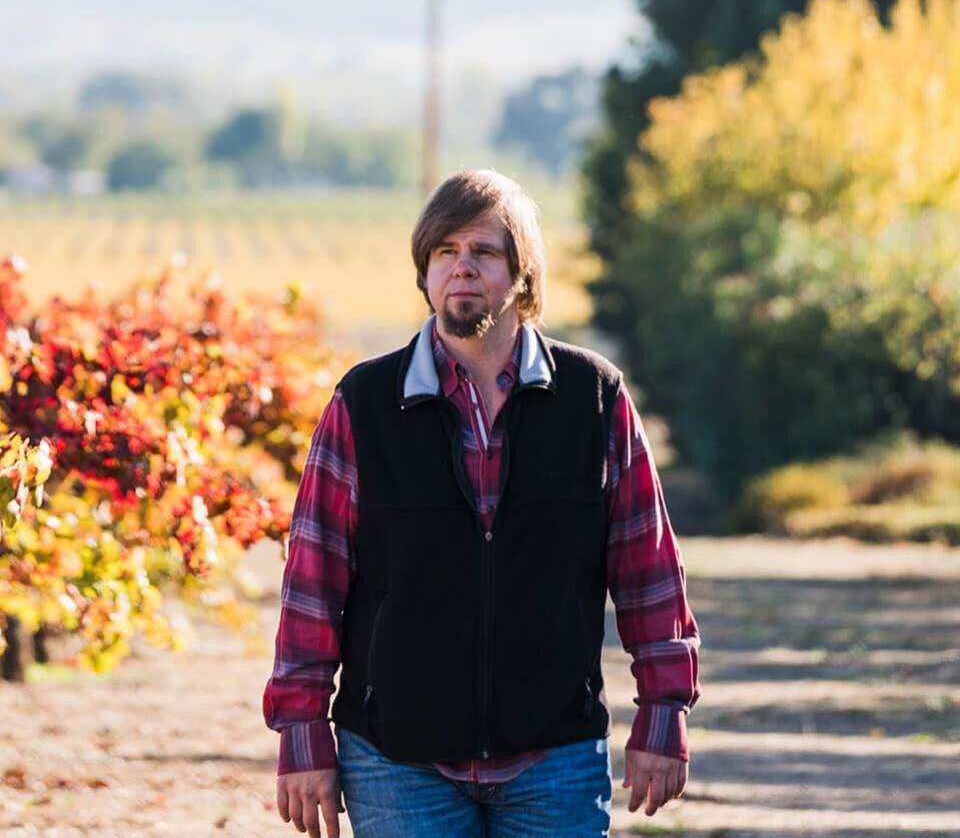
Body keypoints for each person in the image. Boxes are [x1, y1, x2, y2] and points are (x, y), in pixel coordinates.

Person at [263, 170, 700, 837]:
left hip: (554, 757)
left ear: (521, 275)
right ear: (425, 272)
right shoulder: (365, 403)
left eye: (484, 253)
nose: (461, 268)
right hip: (395, 759)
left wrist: (664, 711)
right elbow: (314, 579)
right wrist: (301, 729)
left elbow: (647, 570)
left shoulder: (593, 398)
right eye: (445, 252)